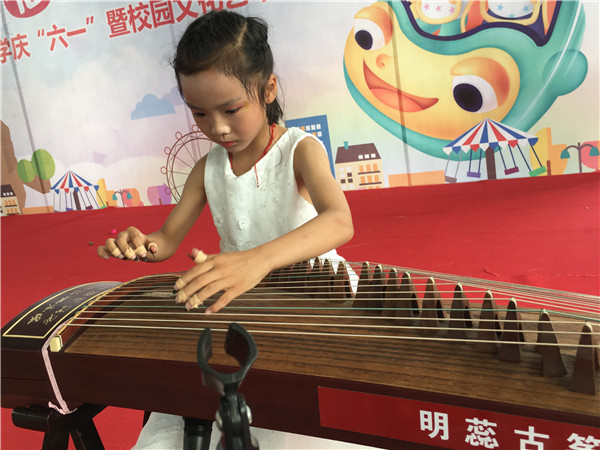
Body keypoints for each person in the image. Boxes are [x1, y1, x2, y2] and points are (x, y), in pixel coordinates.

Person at [97, 10, 353, 314]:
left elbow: (339, 221)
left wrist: (257, 259)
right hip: (249, 295)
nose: (217, 128)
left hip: (318, 290)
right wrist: (140, 244)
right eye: (200, 113)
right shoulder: (207, 169)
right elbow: (166, 239)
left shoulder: (299, 151)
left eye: (231, 111)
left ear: (269, 89)